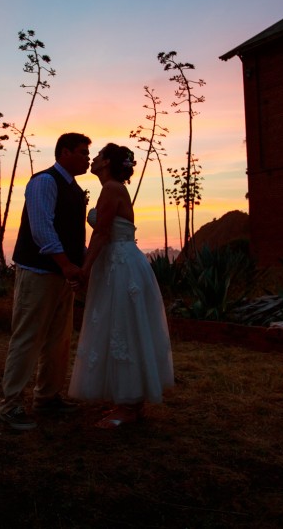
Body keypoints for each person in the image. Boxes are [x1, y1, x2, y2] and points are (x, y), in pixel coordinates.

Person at [68, 143, 174, 428]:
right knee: (122, 326)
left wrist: (85, 270)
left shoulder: (111, 189)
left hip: (120, 265)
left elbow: (101, 233)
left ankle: (128, 406)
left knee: (122, 327)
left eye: (99, 154)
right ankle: (130, 401)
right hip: (120, 262)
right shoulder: (113, 188)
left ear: (106, 163)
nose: (94, 158)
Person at [0, 132, 92, 430]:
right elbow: (41, 228)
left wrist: (79, 266)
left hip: (61, 277)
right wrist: (66, 265)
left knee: (58, 341)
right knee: (27, 338)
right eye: (82, 152)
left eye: (88, 153)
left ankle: (47, 397)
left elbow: (74, 236)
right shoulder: (44, 182)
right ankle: (10, 406)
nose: (87, 158)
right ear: (64, 153)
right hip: (38, 274)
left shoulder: (75, 191)